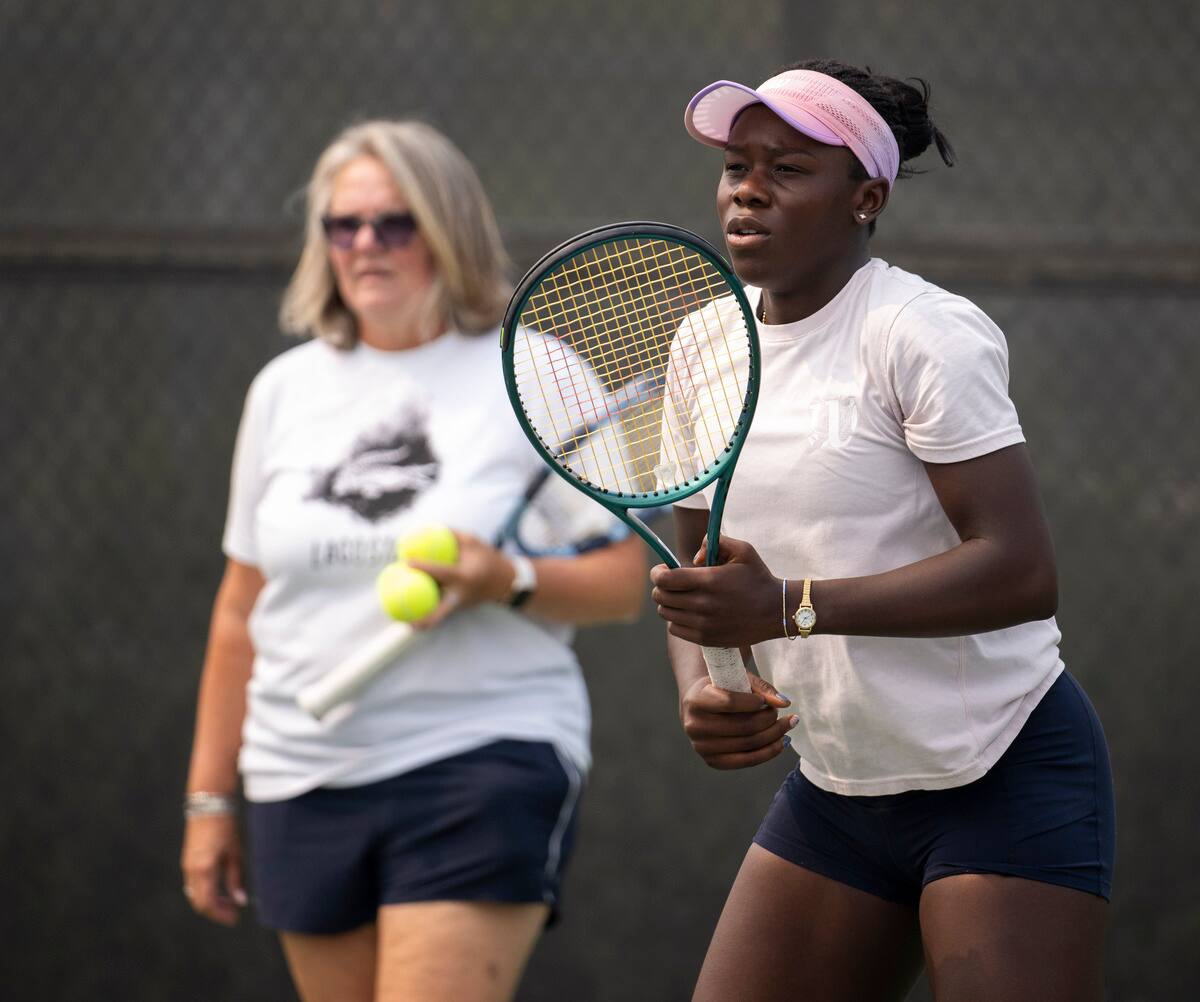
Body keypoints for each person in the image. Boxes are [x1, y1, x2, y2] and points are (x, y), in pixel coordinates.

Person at [651, 60, 1114, 1002]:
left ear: (864, 198)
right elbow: (699, 574)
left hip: (1001, 769)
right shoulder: (705, 341)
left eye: (786, 169)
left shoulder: (921, 333)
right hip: (838, 788)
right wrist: (703, 682)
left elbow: (1020, 571)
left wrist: (784, 608)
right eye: (738, 165)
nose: (747, 188)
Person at [180, 119, 646, 1002]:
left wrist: (505, 580)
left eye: (395, 223)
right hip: (299, 772)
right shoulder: (283, 390)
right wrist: (209, 802)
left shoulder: (537, 373)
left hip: (479, 759)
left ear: (447, 229)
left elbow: (624, 580)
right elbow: (241, 607)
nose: (365, 244)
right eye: (342, 225)